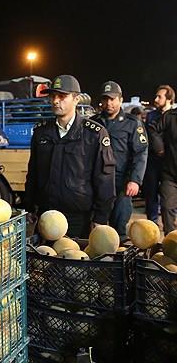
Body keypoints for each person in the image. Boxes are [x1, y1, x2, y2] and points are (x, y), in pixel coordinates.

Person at [24, 75, 116, 238]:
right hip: (46, 217)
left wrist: (101, 218)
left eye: (62, 96)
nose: (55, 101)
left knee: (74, 260)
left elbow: (105, 179)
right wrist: (29, 207)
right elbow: (33, 174)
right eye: (52, 96)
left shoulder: (94, 134)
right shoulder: (41, 132)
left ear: (76, 99)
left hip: (78, 219)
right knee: (44, 260)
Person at [91, 81, 148, 242]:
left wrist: (135, 180)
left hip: (122, 184)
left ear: (120, 100)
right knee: (97, 231)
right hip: (98, 184)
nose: (109, 103)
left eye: (113, 99)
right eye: (105, 99)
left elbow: (140, 153)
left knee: (119, 231)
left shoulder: (133, 124)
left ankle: (117, 265)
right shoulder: (93, 123)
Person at [143, 85, 175, 223]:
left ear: (169, 99)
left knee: (168, 197)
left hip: (171, 161)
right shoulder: (151, 116)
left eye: (159, 96)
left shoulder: (172, 116)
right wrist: (159, 148)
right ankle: (153, 223)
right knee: (151, 192)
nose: (155, 99)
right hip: (155, 160)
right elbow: (149, 134)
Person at [154, 107, 177, 233]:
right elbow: (152, 129)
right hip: (170, 174)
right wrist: (159, 147)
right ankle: (171, 245)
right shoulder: (170, 115)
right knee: (167, 208)